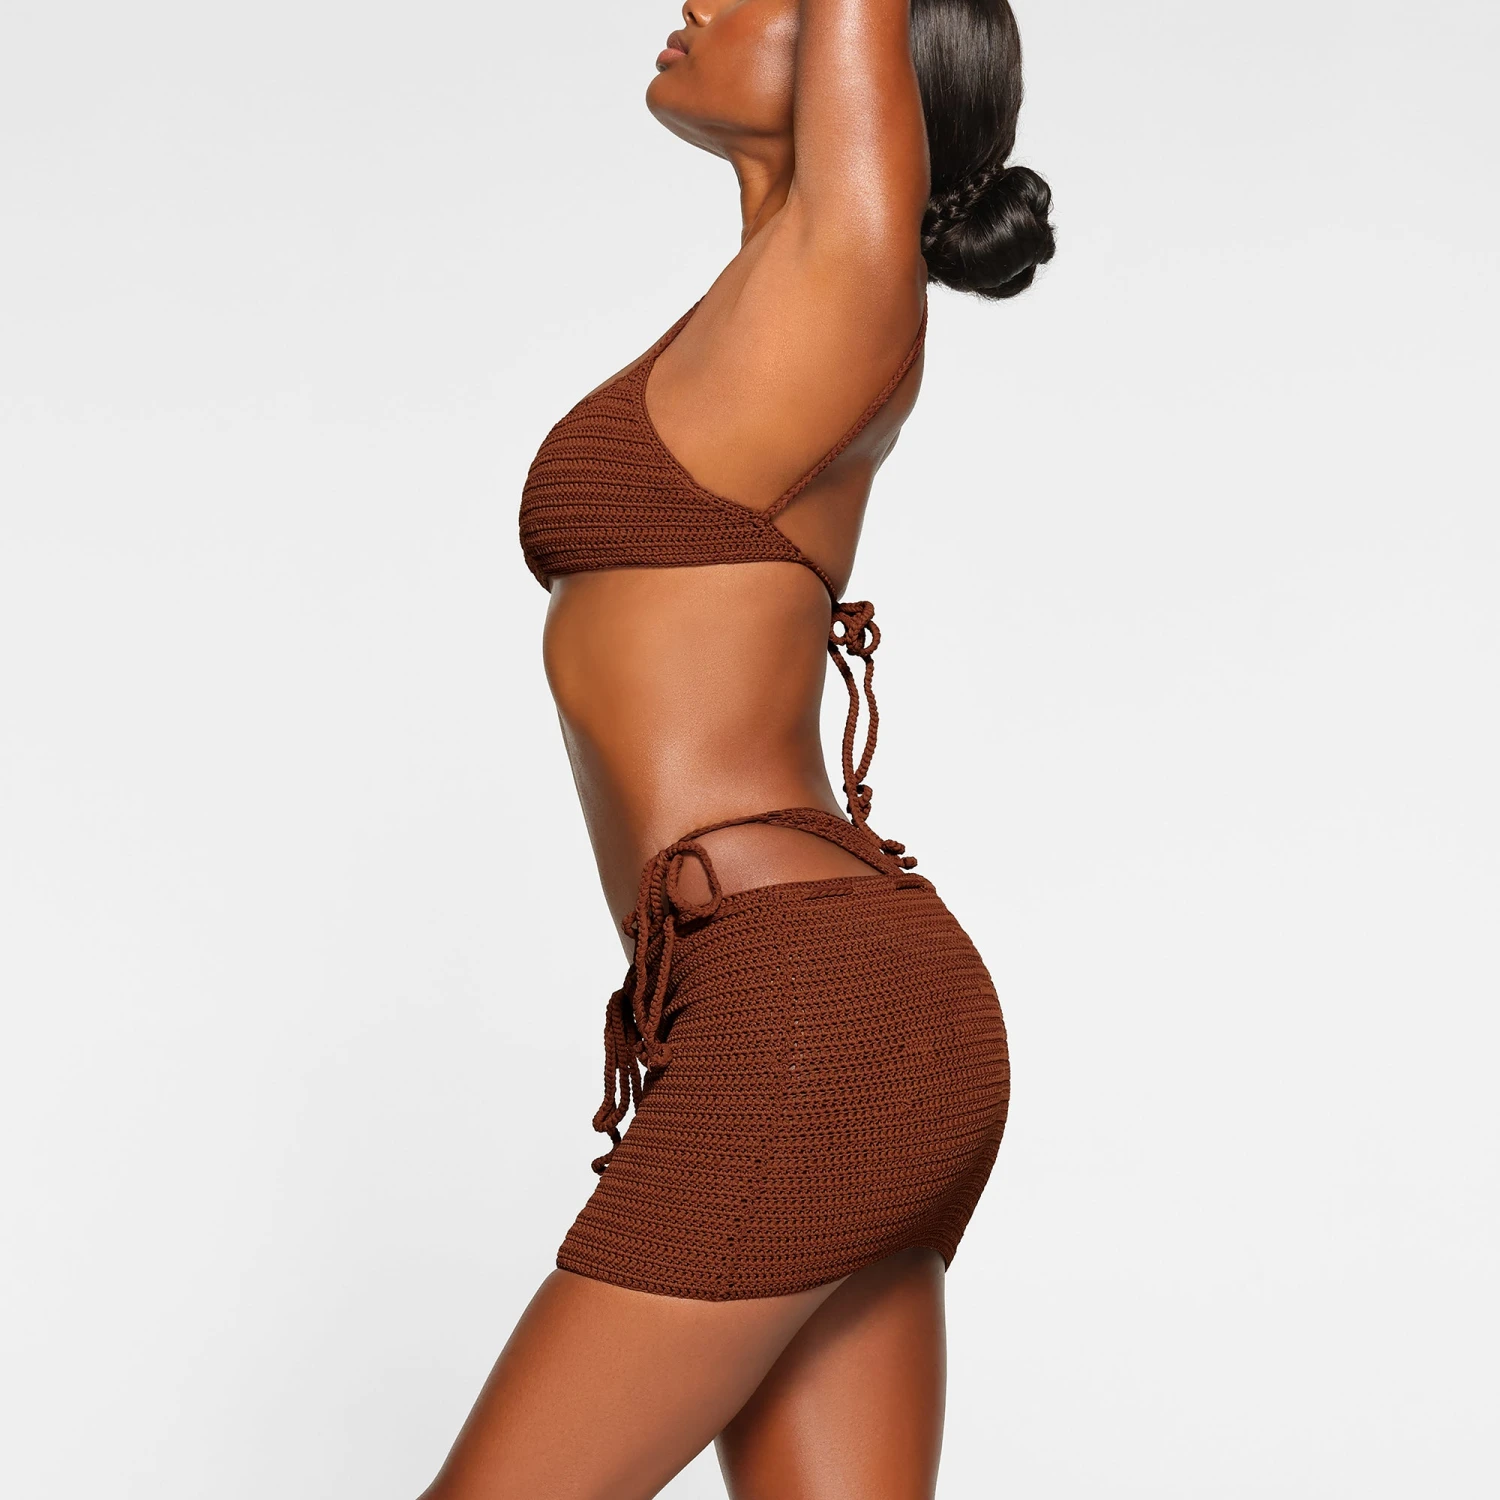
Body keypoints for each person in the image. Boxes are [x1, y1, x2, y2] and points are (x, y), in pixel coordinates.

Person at [423, 2, 1053, 1495]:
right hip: (831, 1005)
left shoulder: (848, 270)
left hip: (807, 1016)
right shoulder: (782, 289)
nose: (699, 0)